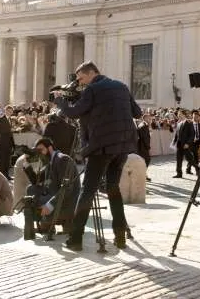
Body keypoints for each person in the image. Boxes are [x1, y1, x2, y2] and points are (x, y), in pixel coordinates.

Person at [54, 61, 141, 250]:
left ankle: (75, 239)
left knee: (88, 190)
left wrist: (60, 100)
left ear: (92, 73)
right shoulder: (121, 86)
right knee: (113, 188)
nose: (80, 83)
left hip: (101, 146)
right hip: (123, 146)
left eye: (82, 78)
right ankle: (120, 237)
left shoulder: (92, 90)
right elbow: (137, 112)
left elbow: (73, 112)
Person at [26, 138, 80, 234]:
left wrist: (50, 205)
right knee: (31, 190)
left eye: (41, 150)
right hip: (54, 194)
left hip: (67, 200)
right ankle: (45, 224)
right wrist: (27, 166)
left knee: (37, 200)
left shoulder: (62, 159)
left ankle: (47, 223)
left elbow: (67, 189)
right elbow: (36, 180)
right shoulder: (50, 162)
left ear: (49, 148)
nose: (40, 153)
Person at [0, 105, 15, 180]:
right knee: (2, 160)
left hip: (9, 143)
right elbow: (0, 130)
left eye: (11, 111)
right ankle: (1, 176)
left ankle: (6, 175)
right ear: (6, 111)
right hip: (3, 142)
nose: (10, 112)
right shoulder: (1, 119)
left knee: (8, 160)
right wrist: (10, 130)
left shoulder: (10, 119)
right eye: (9, 111)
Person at [136, 113, 151, 181]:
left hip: (141, 147)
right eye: (149, 118)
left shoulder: (144, 125)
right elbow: (144, 138)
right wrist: (148, 147)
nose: (150, 120)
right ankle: (142, 174)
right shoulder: (143, 125)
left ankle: (144, 174)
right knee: (147, 160)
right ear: (144, 118)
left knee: (144, 161)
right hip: (142, 147)